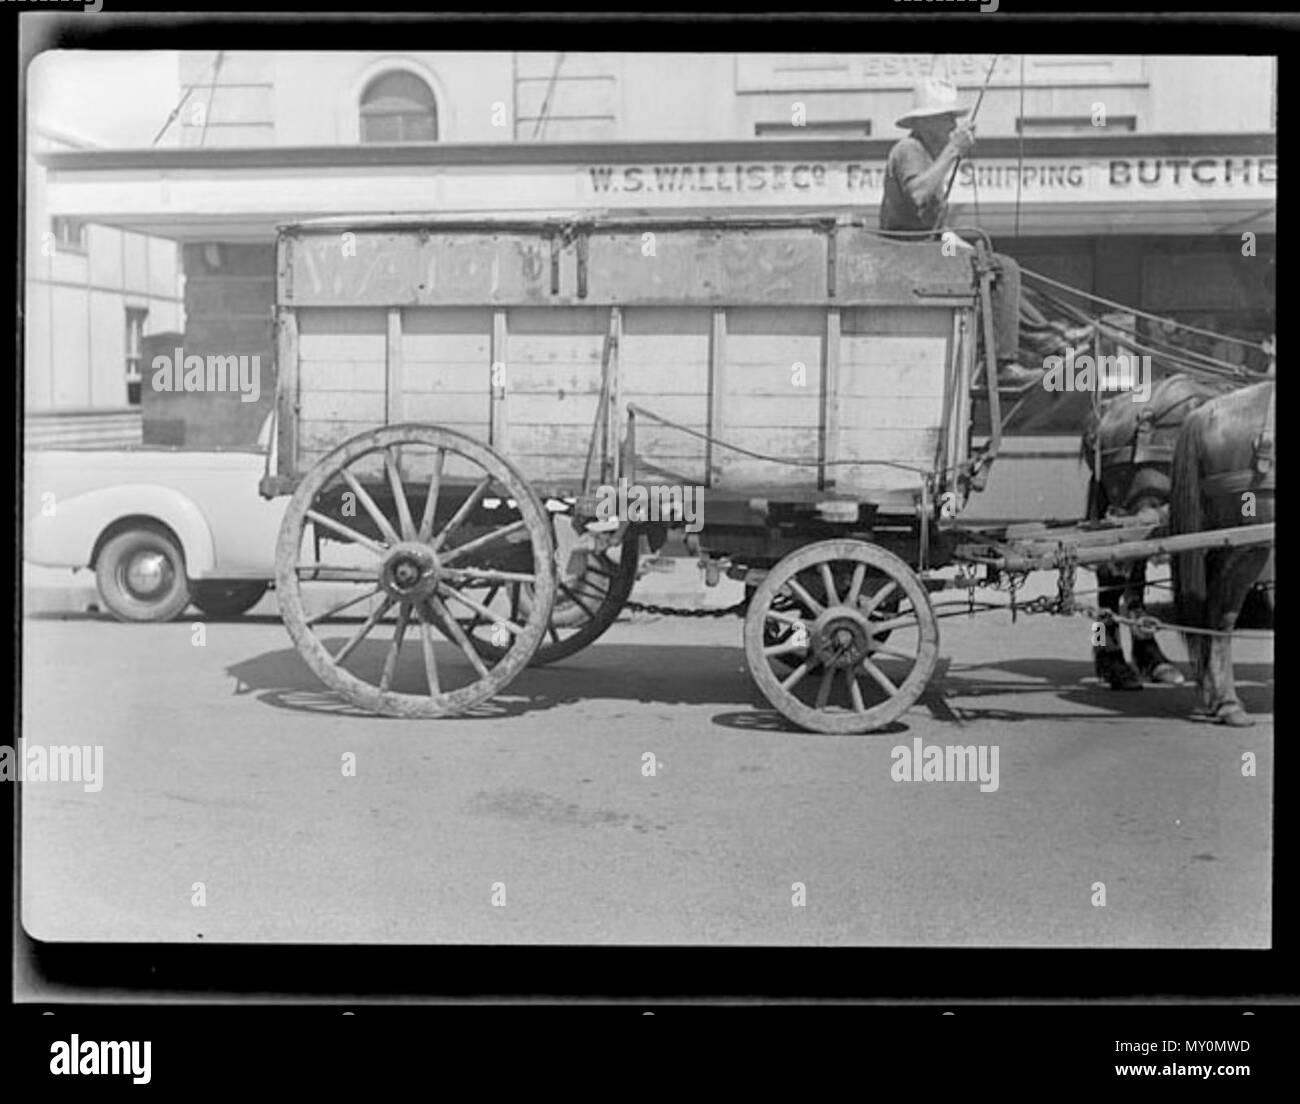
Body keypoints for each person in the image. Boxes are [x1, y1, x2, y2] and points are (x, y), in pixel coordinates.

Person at [880, 78, 1089, 390]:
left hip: (925, 249)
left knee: (999, 270)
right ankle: (1010, 359)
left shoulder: (926, 153)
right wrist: (953, 151)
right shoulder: (909, 149)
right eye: (946, 118)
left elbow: (935, 226)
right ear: (924, 123)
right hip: (908, 255)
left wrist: (966, 247)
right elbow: (919, 195)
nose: (954, 124)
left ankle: (1050, 336)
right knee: (1002, 269)